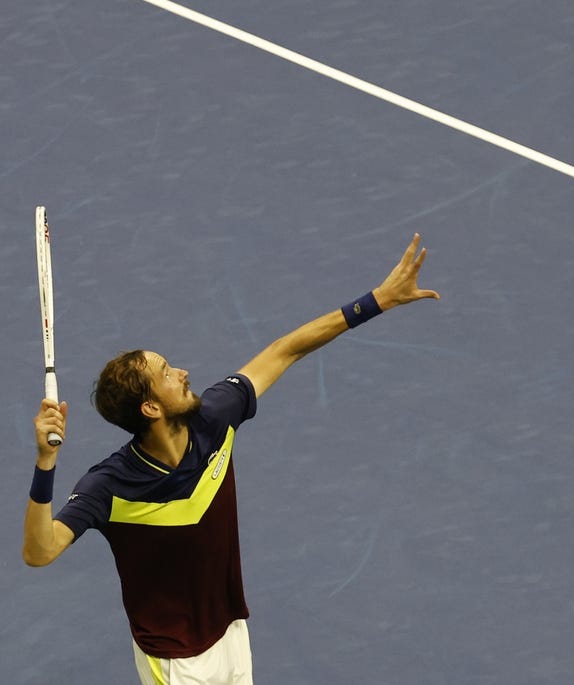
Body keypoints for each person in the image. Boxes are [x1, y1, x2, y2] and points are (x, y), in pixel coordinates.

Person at [22, 233, 440, 684]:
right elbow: (40, 552)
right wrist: (45, 464)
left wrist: (376, 300)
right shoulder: (110, 485)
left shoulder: (214, 417)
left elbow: (285, 350)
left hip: (230, 631)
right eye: (166, 374)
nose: (182, 372)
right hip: (176, 662)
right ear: (151, 409)